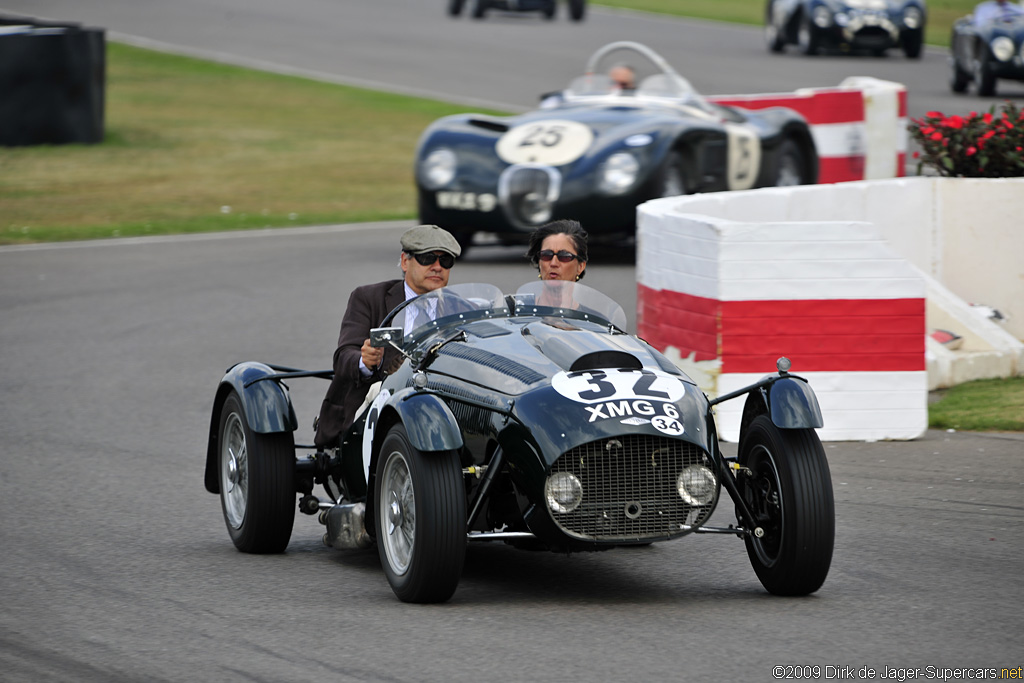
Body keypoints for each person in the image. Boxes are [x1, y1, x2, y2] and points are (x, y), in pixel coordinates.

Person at [313, 224, 461, 449]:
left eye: (445, 261)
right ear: (405, 261)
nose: (437, 267)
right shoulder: (368, 298)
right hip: (377, 404)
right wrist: (365, 360)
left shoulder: (462, 308)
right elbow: (344, 356)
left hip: (445, 406)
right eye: (427, 258)